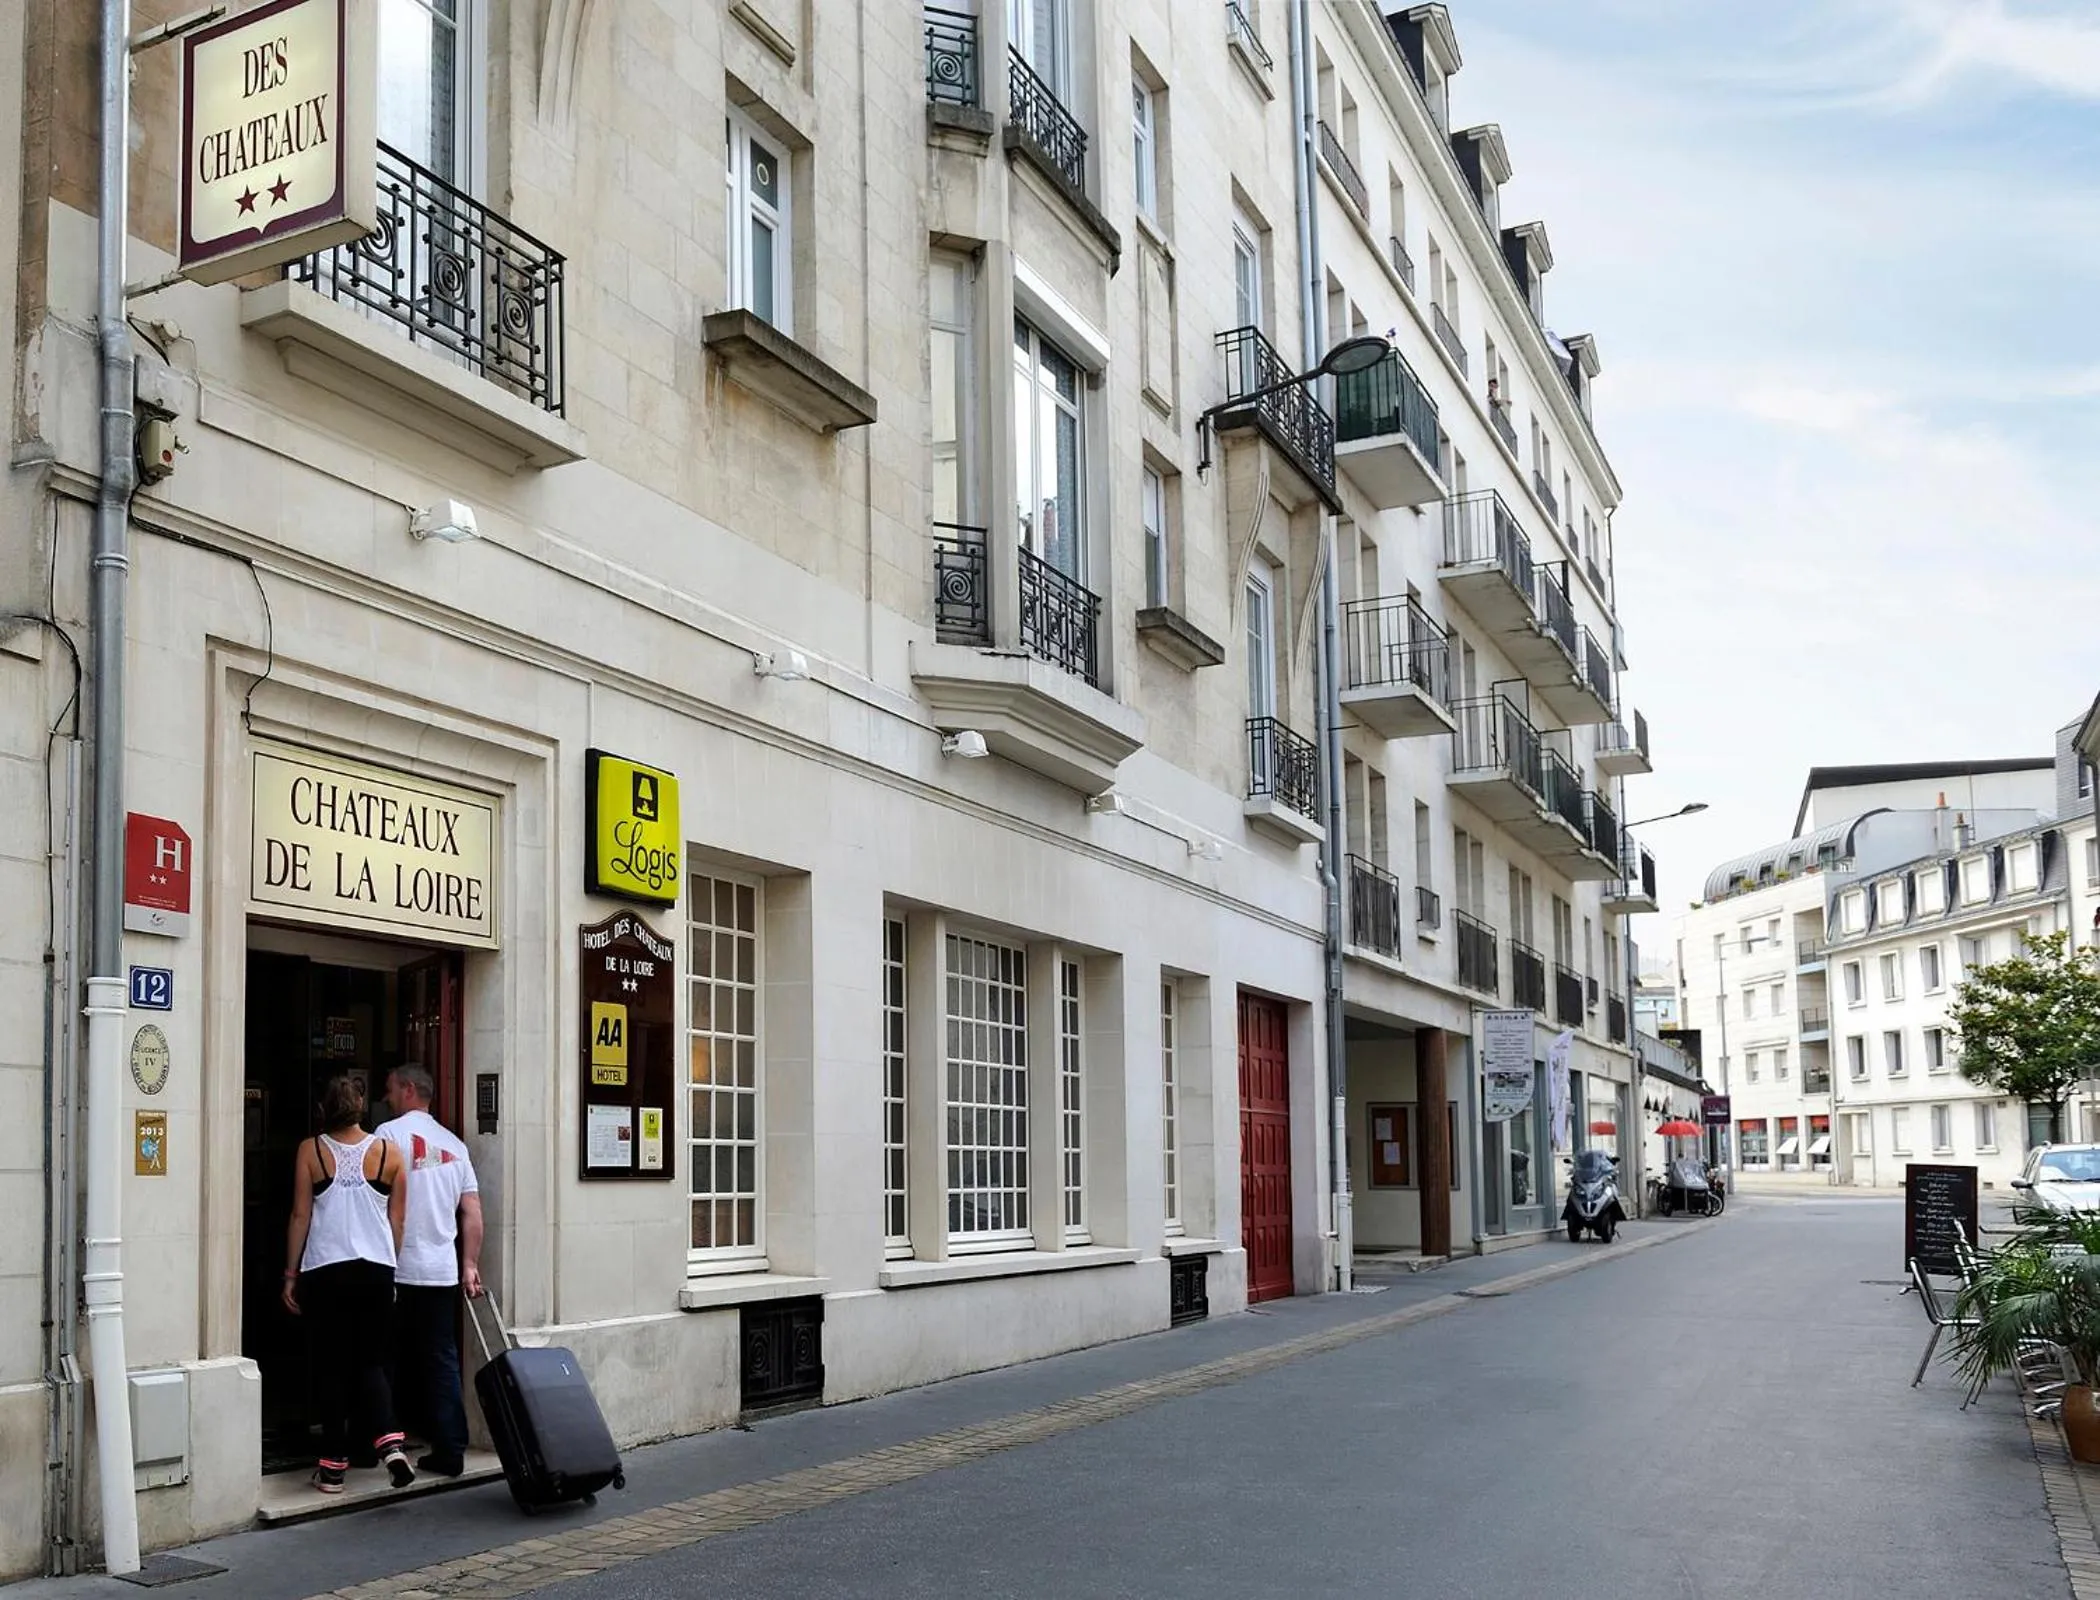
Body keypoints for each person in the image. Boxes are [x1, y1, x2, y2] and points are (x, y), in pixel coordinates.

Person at [282, 1073, 414, 1494]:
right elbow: (398, 1221)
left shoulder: (311, 1150)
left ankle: (333, 1467)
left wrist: (290, 1273)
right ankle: (391, 1444)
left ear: (325, 1107)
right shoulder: (389, 1153)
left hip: (327, 1269)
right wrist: (389, 1267)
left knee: (332, 1367)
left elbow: (301, 1216)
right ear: (360, 1106)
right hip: (375, 1269)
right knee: (371, 1362)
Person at [378, 1063, 483, 1479]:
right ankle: (451, 1449)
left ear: (407, 1090)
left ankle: (383, 1445)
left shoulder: (387, 1136)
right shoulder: (456, 1146)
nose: (386, 1098)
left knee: (383, 1358)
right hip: (440, 1271)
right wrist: (470, 1263)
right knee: (441, 1360)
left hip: (397, 1268)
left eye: (389, 1090)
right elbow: (472, 1211)